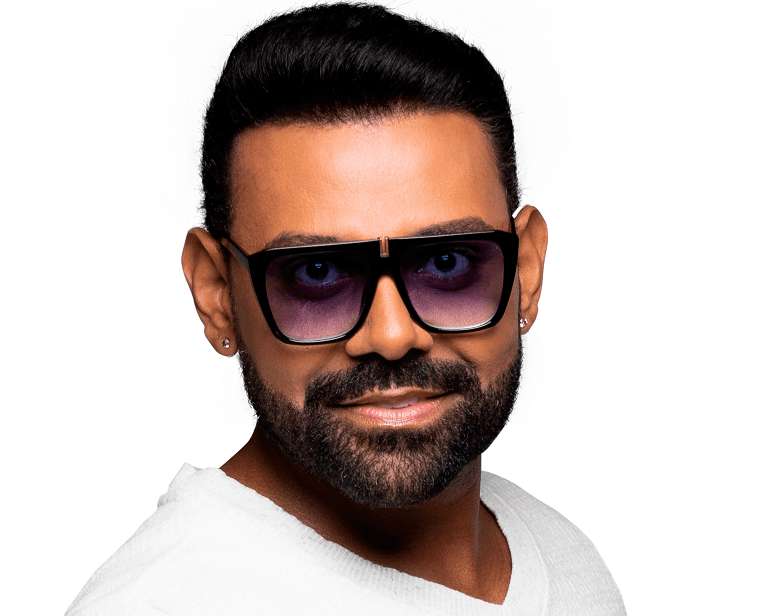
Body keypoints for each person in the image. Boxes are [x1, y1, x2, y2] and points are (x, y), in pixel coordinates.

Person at [66, 3, 625, 614]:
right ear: (217, 295)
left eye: (447, 263)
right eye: (317, 272)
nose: (392, 334)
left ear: (527, 272)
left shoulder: (565, 560)